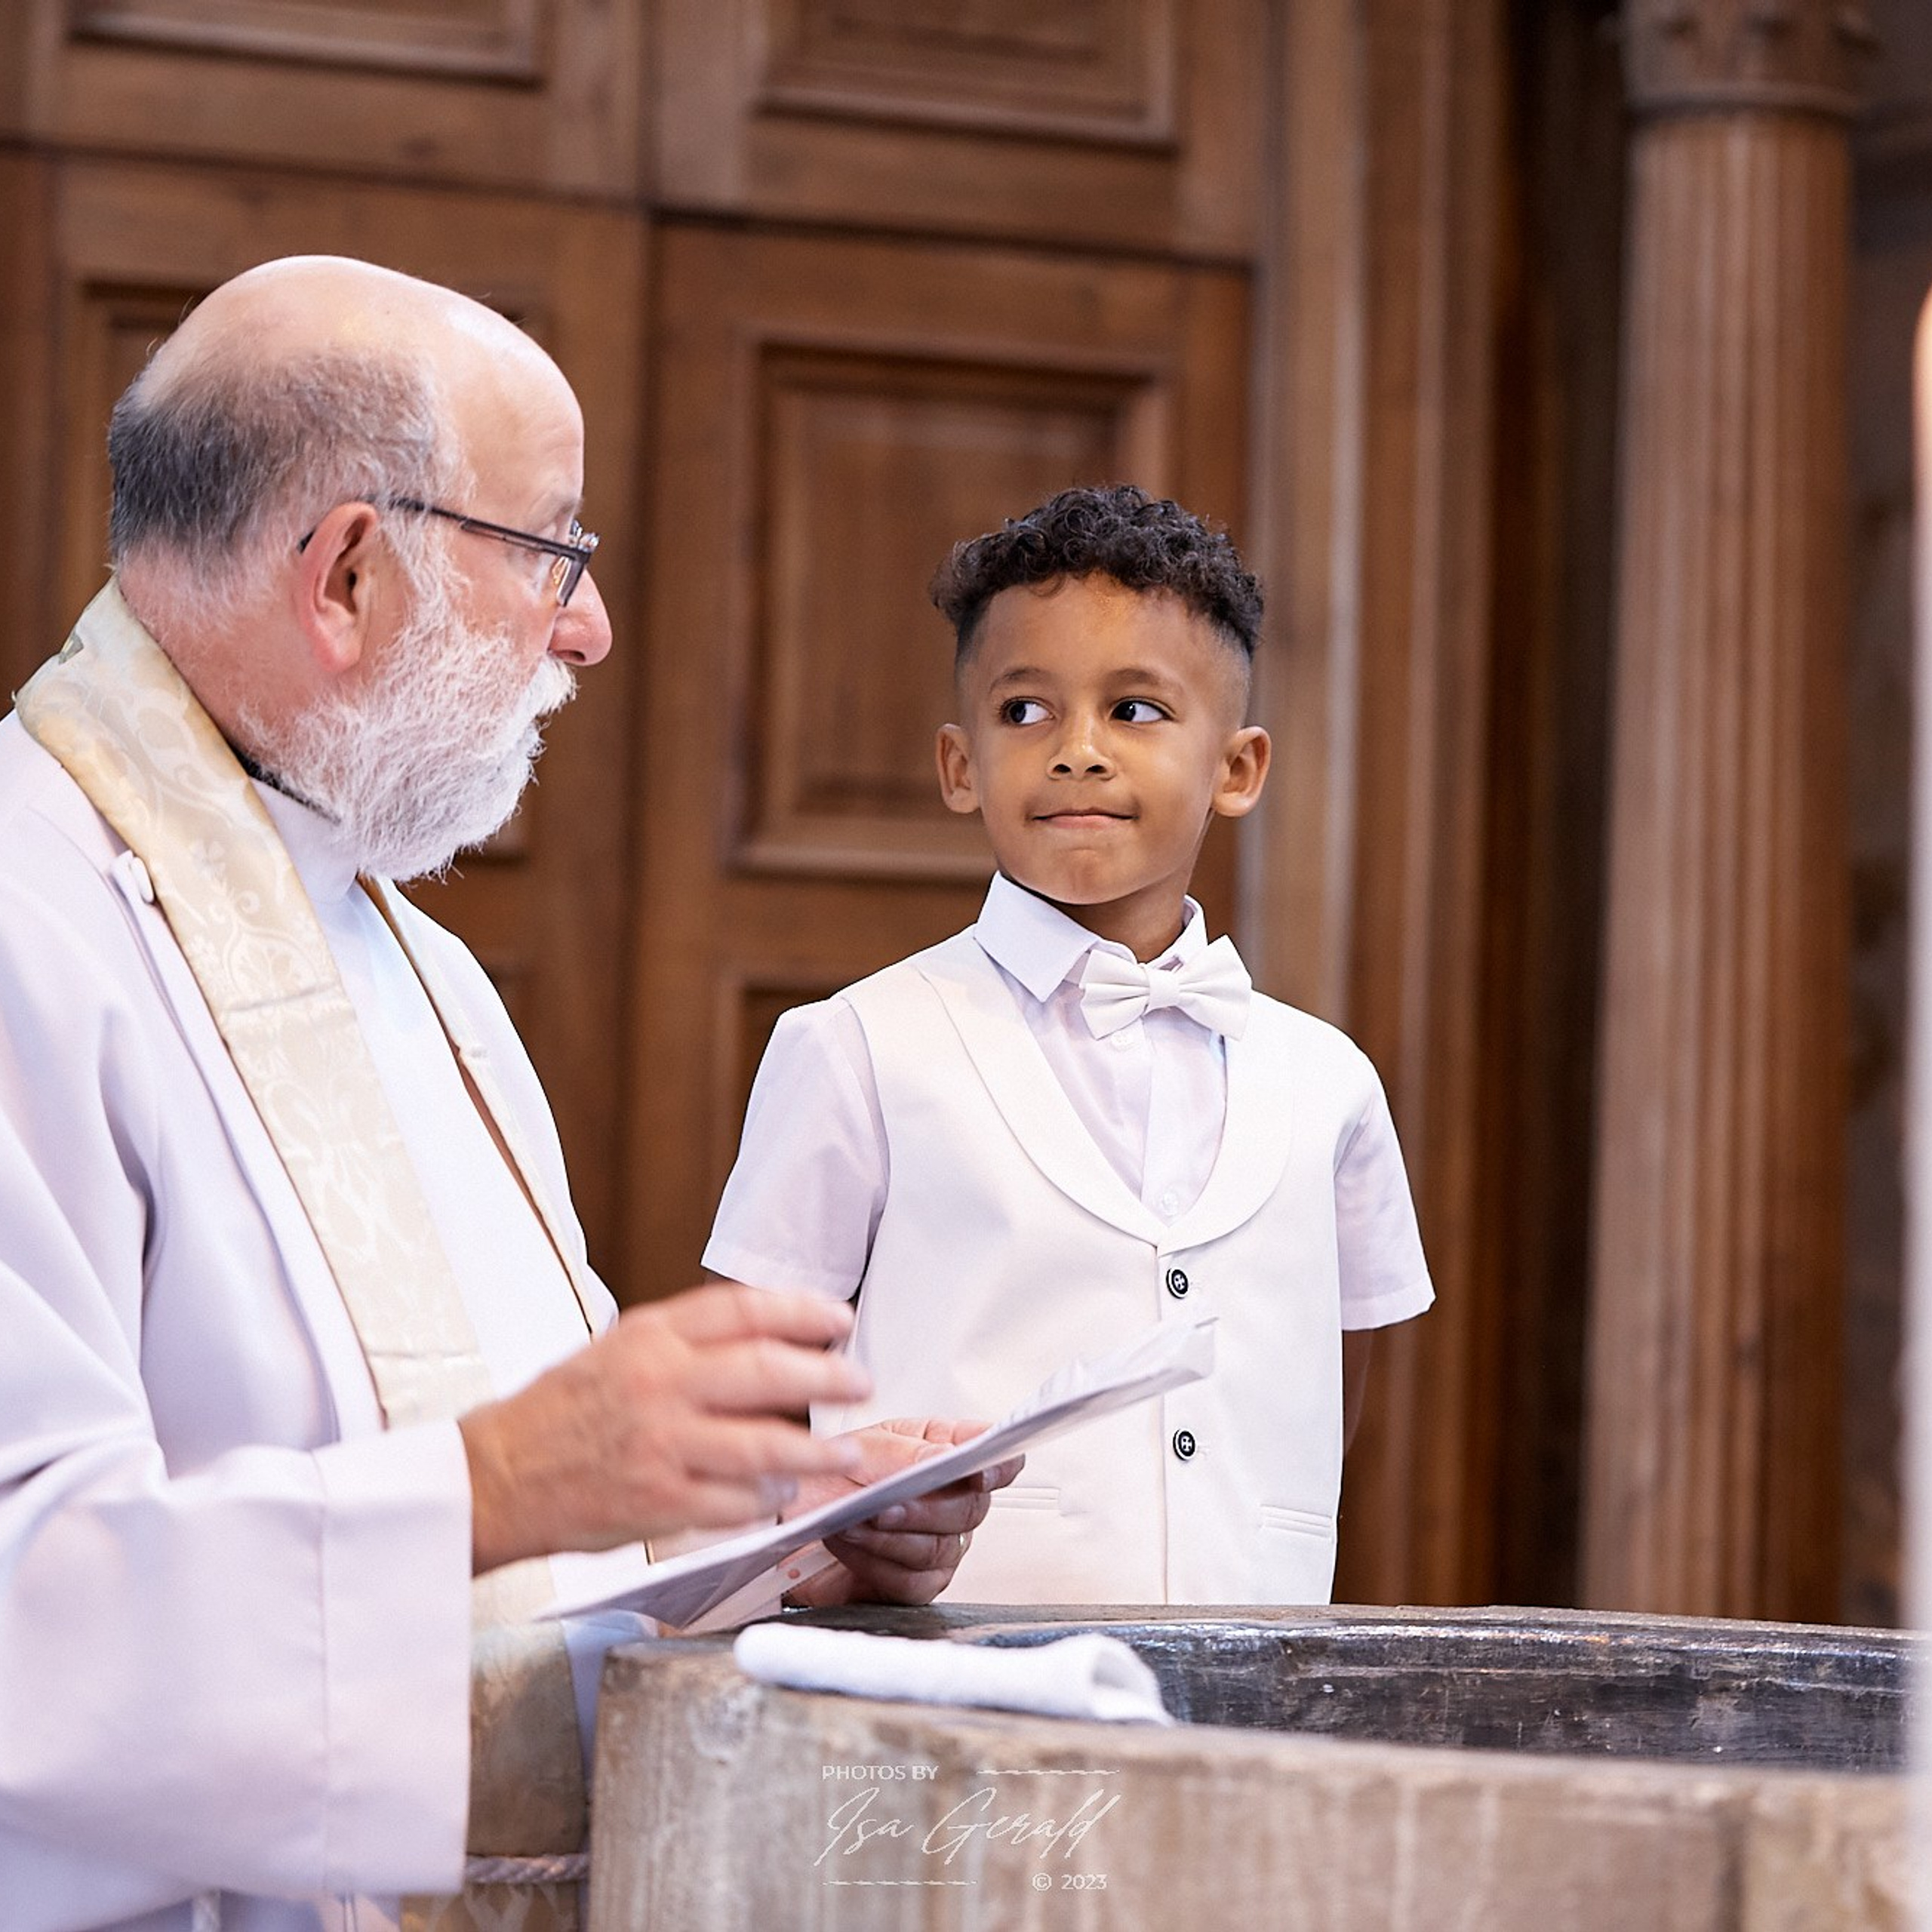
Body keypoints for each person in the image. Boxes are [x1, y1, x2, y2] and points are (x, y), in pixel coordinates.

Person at [0, 256, 1013, 1932]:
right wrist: (503, 1482)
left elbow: (508, 1577)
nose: (590, 628)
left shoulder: (427, 977)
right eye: (551, 549)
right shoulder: (30, 926)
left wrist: (773, 1565)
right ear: (345, 571)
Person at [705, 484, 1435, 1606]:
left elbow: (1329, 1395)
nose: (1079, 753)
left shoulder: (1329, 1084)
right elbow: (742, 1402)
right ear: (959, 765)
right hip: (935, 1698)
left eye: (1136, 711)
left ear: (1238, 769)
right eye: (1025, 712)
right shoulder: (856, 1047)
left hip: (1246, 1716)